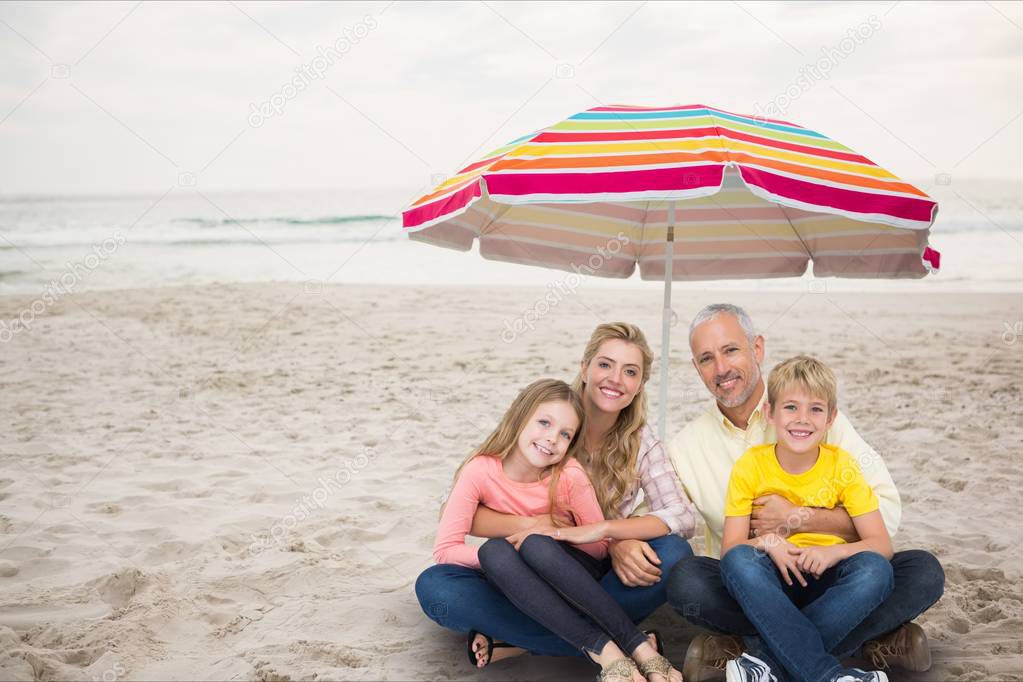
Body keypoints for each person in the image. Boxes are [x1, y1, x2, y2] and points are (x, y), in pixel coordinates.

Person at [664, 304, 944, 680]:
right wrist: (622, 538)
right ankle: (857, 646)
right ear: (696, 368)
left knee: (921, 571)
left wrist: (800, 519)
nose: (721, 368)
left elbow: (887, 516)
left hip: (834, 576)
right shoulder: (685, 446)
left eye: (731, 350)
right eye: (706, 358)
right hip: (752, 587)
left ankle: (757, 657)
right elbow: (660, 512)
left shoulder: (819, 423)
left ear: (757, 349)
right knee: (687, 580)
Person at [416, 323, 697, 669]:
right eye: (605, 364)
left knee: (673, 553)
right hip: (516, 566)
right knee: (436, 587)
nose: (615, 379)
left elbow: (682, 517)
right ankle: (622, 640)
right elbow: (453, 511)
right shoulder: (546, 416)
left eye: (630, 372)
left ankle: (517, 641)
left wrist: (612, 535)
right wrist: (536, 524)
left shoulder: (641, 441)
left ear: (640, 385)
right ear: (585, 367)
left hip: (593, 570)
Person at [720, 355, 894, 682]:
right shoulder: (750, 465)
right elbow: (731, 550)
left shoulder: (842, 465)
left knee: (879, 571)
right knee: (734, 564)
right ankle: (829, 676)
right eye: (791, 408)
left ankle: (762, 664)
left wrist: (835, 552)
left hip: (828, 578)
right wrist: (769, 542)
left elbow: (881, 544)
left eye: (815, 409)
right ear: (770, 413)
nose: (803, 419)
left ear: (831, 419)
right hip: (771, 581)